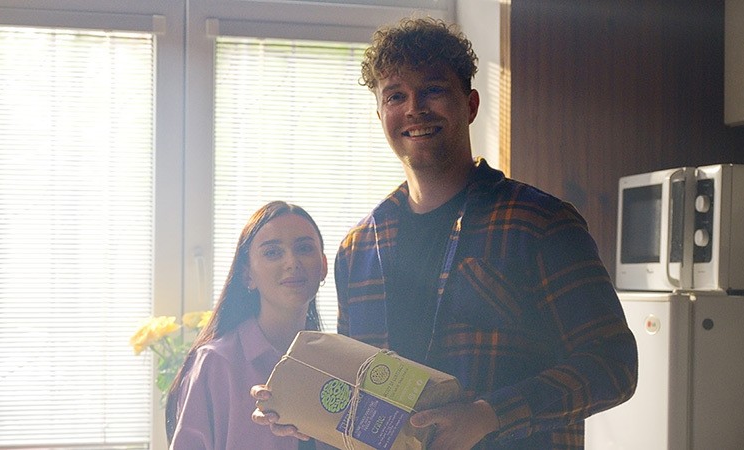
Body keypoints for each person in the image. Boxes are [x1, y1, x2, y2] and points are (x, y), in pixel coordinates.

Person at [252, 17, 637, 449]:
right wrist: (307, 416)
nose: (414, 108)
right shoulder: (358, 248)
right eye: (396, 95)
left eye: (433, 90)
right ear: (381, 113)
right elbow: (359, 401)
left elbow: (614, 364)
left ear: (470, 104)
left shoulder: (540, 224)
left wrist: (487, 417)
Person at [167, 201, 328, 449]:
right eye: (273, 252)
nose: (292, 262)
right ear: (247, 275)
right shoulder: (216, 362)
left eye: (304, 248)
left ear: (324, 267)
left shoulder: (337, 364)